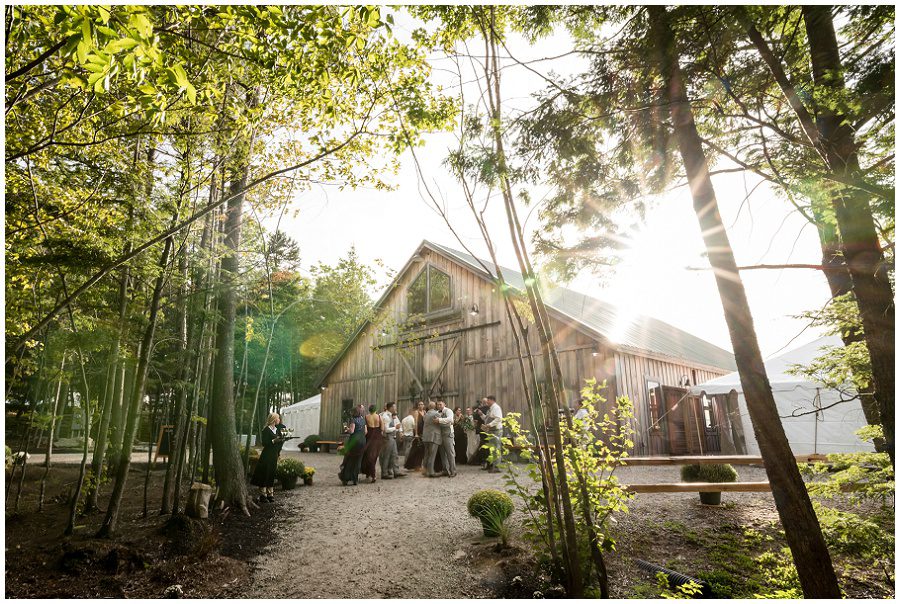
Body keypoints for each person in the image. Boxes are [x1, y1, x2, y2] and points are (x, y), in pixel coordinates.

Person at [251, 412, 286, 502]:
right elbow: (265, 443)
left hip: (274, 455)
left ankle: (270, 494)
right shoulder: (266, 430)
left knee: (271, 473)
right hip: (266, 455)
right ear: (274, 420)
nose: (279, 420)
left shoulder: (277, 429)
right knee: (264, 473)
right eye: (278, 418)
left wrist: (283, 439)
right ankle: (263, 495)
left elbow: (283, 429)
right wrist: (275, 440)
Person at [339, 406, 367, 486]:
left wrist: (346, 429)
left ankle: (346, 478)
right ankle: (355, 479)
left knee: (350, 459)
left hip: (354, 441)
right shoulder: (363, 420)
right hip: (362, 441)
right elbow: (365, 431)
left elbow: (351, 431)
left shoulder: (353, 420)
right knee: (358, 460)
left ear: (353, 412)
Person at [379, 402, 406, 479]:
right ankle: (384, 473)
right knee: (386, 455)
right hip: (387, 437)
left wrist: (400, 431)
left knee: (395, 454)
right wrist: (395, 428)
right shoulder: (385, 416)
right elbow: (386, 429)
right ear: (390, 408)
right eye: (394, 407)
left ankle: (396, 471)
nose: (395, 408)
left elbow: (398, 423)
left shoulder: (392, 415)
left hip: (392, 437)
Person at [360, 404, 384, 483]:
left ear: (369, 410)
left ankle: (370, 473)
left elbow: (365, 429)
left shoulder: (366, 417)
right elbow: (382, 428)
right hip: (377, 437)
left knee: (368, 455)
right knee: (374, 456)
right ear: (375, 410)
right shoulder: (379, 417)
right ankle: (372, 474)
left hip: (369, 436)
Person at [435, 400, 457, 477]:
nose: (439, 406)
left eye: (440, 404)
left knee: (450, 453)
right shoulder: (437, 412)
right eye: (438, 405)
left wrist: (439, 420)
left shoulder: (448, 411)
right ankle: (445, 470)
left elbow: (450, 420)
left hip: (448, 434)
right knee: (442, 454)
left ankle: (453, 471)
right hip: (440, 435)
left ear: (444, 404)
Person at [482, 395, 503, 472]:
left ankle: (497, 467)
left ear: (492, 400)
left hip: (496, 430)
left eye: (488, 400)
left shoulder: (496, 408)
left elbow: (498, 418)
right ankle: (494, 465)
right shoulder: (491, 409)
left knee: (496, 448)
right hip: (491, 430)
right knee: (493, 449)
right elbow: (487, 418)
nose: (487, 402)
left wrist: (489, 425)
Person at [421, 401, 442, 477]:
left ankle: (425, 471)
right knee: (432, 455)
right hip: (433, 437)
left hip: (425, 437)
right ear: (434, 406)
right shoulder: (436, 414)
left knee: (426, 454)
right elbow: (441, 422)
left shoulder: (425, 415)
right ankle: (431, 472)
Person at [404, 402, 427, 471]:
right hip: (418, 432)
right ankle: (414, 465)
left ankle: (419, 465)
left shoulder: (425, 412)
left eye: (422, 404)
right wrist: (416, 433)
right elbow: (416, 423)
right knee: (416, 448)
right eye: (419, 404)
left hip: (423, 432)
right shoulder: (416, 412)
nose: (421, 405)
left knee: (422, 449)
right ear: (418, 406)